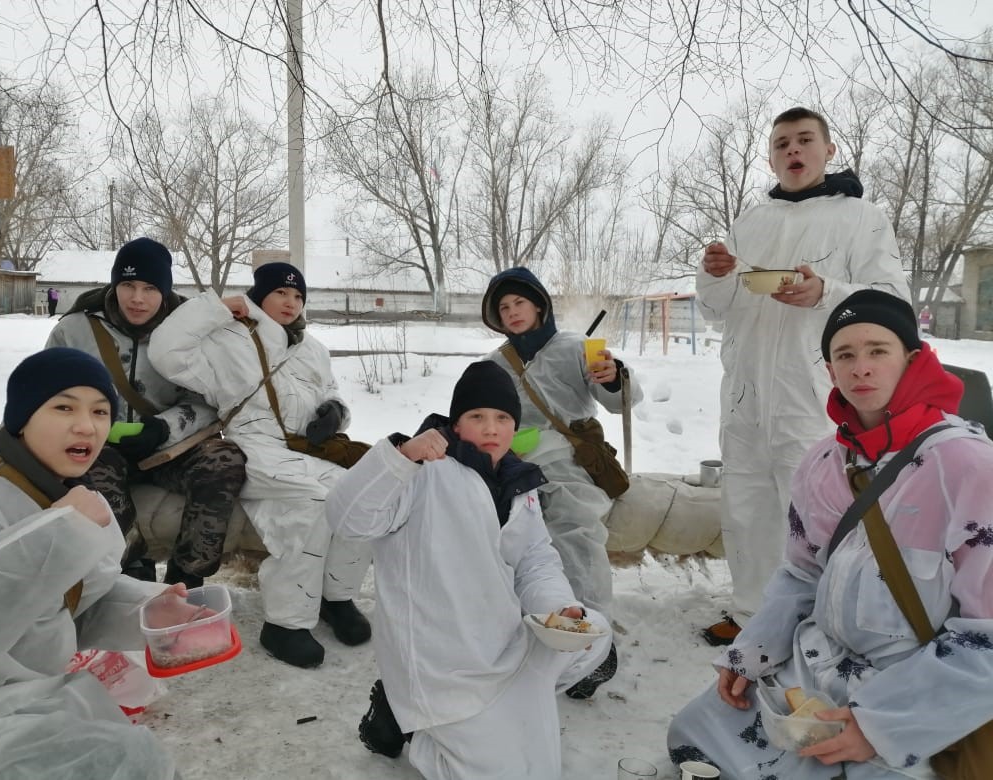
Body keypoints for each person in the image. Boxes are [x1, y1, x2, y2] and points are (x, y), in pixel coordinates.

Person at [668, 290, 993, 778]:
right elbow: (801, 573)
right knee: (697, 733)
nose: (861, 367)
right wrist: (752, 653)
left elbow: (986, 637)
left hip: (913, 687)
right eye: (845, 355)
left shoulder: (967, 467)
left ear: (913, 358)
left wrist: (881, 727)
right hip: (818, 665)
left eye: (877, 351)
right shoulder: (823, 463)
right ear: (830, 370)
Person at [326, 360, 613, 779]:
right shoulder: (424, 472)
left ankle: (468, 718)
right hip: (441, 658)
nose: (491, 428)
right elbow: (347, 518)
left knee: (591, 639)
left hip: (499, 640)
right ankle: (420, 729)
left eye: (502, 418)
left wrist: (561, 609)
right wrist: (401, 457)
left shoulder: (519, 484)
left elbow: (536, 562)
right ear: (456, 425)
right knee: (501, 772)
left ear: (515, 428)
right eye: (477, 417)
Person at [696, 106, 910, 646]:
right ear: (771, 156)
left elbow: (891, 302)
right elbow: (716, 307)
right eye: (782, 143)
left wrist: (826, 293)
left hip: (811, 390)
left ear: (828, 150)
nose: (793, 151)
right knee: (745, 505)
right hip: (745, 393)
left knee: (813, 507)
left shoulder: (861, 217)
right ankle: (749, 613)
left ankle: (817, 617)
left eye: (804, 140)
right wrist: (714, 274)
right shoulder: (752, 220)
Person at [0, 347, 186, 779]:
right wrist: (63, 532)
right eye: (63, 407)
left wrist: (151, 613)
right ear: (21, 418)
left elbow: (69, 605)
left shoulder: (66, 497)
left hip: (29, 706)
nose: (87, 426)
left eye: (101, 412)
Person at [147, 262, 372, 669]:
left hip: (306, 449)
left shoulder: (312, 347)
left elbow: (332, 390)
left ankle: (336, 596)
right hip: (254, 446)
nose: (291, 302)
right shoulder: (227, 337)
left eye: (298, 296)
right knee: (313, 502)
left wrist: (336, 412)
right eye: (281, 293)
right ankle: (284, 624)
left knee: (362, 494)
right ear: (260, 295)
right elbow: (166, 351)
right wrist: (216, 309)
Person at [46, 237, 246, 589]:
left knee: (225, 458)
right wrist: (92, 430)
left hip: (170, 447)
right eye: (128, 285)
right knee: (85, 469)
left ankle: (188, 573)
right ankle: (132, 568)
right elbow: (48, 397)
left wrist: (162, 429)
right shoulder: (74, 330)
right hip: (98, 446)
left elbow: (207, 400)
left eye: (150, 288)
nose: (137, 298)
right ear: (115, 284)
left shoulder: (190, 332)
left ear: (165, 291)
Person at [481, 266, 643, 698]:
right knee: (505, 533)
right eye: (504, 307)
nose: (512, 312)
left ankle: (594, 639)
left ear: (539, 305)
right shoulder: (496, 363)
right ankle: (522, 630)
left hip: (571, 458)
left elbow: (621, 401)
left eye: (519, 303)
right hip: (515, 460)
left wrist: (614, 377)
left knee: (575, 528)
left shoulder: (574, 347)